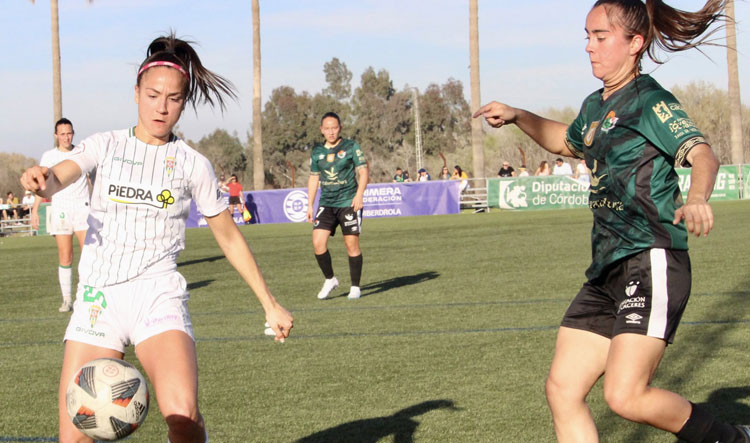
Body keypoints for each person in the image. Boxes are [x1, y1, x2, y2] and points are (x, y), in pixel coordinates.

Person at [473, 1, 750, 442]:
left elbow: (703, 154)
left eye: (601, 37)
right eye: (587, 36)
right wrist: (519, 116)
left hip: (651, 260)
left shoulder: (650, 101)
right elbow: (567, 142)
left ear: (634, 43)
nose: (589, 47)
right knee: (563, 390)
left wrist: (697, 197)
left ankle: (731, 438)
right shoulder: (595, 105)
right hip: (606, 270)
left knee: (625, 397)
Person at [20, 33, 293, 443]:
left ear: (185, 102)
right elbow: (63, 174)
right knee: (75, 436)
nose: (161, 107)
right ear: (136, 94)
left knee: (182, 417)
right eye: (152, 95)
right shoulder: (105, 145)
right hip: (98, 298)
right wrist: (43, 181)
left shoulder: (192, 165)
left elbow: (229, 238)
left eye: (174, 98)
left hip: (157, 296)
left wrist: (269, 303)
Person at [307, 112, 369, 300]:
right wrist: (310, 205)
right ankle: (330, 279)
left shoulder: (350, 146)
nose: (331, 132)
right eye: (327, 128)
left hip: (348, 202)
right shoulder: (317, 151)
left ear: (340, 128)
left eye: (334, 128)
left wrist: (359, 195)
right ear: (321, 130)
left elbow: (364, 172)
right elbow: (314, 177)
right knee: (318, 243)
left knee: (351, 245)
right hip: (327, 203)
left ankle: (355, 287)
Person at [32, 118, 91, 312]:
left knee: (89, 255)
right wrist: (35, 210)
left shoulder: (82, 152)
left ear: (73, 133)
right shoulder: (49, 157)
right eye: (62, 134)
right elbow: (42, 187)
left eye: (69, 133)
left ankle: (87, 295)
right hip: (62, 210)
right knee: (65, 256)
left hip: (83, 208)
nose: (66, 137)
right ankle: (67, 299)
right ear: (56, 135)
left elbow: (94, 179)